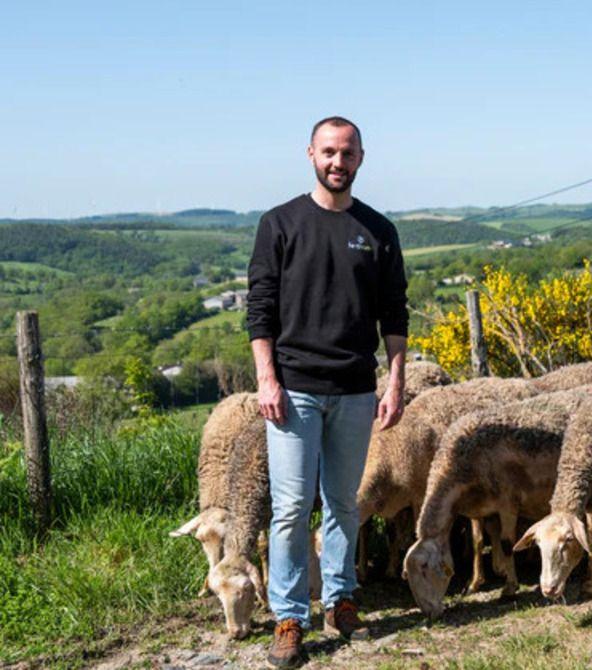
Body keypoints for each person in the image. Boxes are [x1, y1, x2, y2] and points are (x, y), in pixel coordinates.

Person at [246, 116, 408, 668]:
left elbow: (395, 312)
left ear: (361, 158)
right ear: (310, 154)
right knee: (291, 507)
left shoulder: (378, 231)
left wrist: (396, 380)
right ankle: (290, 616)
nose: (338, 162)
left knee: (343, 503)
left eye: (348, 153)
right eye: (329, 152)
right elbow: (260, 308)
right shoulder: (280, 223)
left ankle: (340, 601)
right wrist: (267, 378)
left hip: (357, 390)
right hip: (294, 391)